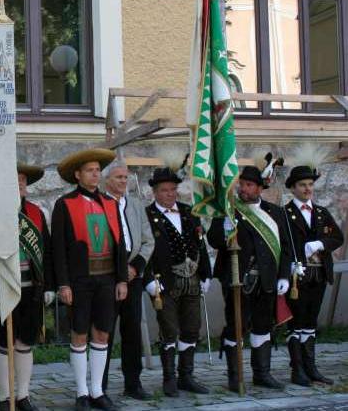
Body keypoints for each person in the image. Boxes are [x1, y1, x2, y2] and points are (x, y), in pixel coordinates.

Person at [51, 148, 128, 411]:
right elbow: (58, 248)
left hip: (107, 278)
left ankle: (97, 390)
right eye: (89, 171)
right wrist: (63, 283)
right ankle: (81, 392)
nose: (95, 174)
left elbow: (121, 244)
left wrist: (121, 279)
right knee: (79, 333)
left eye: (97, 170)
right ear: (77, 175)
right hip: (79, 280)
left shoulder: (110, 203)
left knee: (102, 333)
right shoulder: (65, 204)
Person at [208, 165, 292, 392]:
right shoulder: (229, 209)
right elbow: (213, 239)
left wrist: (284, 275)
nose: (243, 189)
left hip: (266, 280)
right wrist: (225, 229)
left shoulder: (274, 212)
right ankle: (235, 376)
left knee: (263, 325)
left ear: (259, 188)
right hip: (237, 280)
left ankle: (262, 374)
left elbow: (285, 248)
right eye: (242, 184)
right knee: (237, 326)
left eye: (249, 185)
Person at [0, 163, 53, 411]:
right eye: (15, 179)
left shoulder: (36, 212)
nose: (20, 182)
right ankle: (4, 396)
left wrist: (49, 286)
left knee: (25, 341)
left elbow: (48, 252)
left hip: (31, 287)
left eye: (23, 179)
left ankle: (22, 395)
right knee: (4, 340)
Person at [144, 165, 211, 397]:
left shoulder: (190, 211)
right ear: (154, 191)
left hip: (192, 279)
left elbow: (200, 243)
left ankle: (186, 376)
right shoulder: (147, 216)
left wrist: (206, 274)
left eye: (173, 189)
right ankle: (169, 379)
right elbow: (142, 251)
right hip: (164, 282)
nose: (170, 194)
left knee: (192, 328)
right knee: (169, 330)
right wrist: (148, 280)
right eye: (164, 190)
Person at [283, 162, 344, 386]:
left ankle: (311, 367)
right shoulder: (285, 214)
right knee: (296, 323)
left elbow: (338, 238)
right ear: (293, 188)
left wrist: (320, 243)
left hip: (318, 275)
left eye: (310, 184)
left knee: (310, 322)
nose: (308, 189)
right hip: (296, 277)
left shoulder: (321, 212)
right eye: (302, 185)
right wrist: (287, 266)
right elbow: (282, 245)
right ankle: (297, 370)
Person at [100, 160, 154, 400]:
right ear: (106, 180)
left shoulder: (135, 204)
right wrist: (118, 271)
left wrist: (135, 267)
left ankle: (133, 382)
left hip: (133, 277)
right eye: (119, 177)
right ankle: (98, 386)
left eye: (126, 177)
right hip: (108, 278)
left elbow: (147, 239)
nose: (124, 181)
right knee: (104, 332)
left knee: (132, 331)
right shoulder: (99, 204)